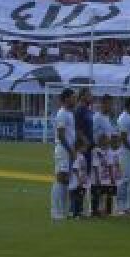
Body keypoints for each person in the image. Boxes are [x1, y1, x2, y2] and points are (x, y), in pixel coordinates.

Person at [51, 88, 77, 220]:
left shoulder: (70, 113)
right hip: (63, 150)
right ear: (66, 98)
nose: (75, 99)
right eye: (73, 97)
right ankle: (56, 211)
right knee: (60, 179)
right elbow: (61, 135)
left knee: (66, 180)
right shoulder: (62, 113)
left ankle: (62, 210)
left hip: (68, 150)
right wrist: (70, 150)